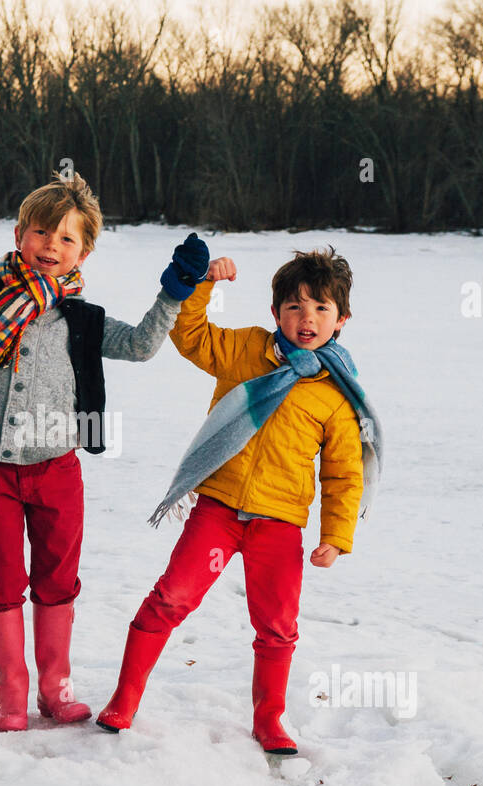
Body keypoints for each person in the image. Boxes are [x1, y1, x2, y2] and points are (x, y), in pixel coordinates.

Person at [0, 124, 209, 731]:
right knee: (1, 583)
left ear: (83, 253)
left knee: (58, 582)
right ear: (19, 235)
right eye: (40, 231)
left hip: (56, 473)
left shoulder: (82, 318)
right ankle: (12, 697)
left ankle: (55, 690)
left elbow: (145, 345)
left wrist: (175, 291)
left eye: (66, 237)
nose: (50, 244)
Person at [96, 248, 382, 754]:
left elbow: (343, 474)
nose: (306, 318)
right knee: (170, 599)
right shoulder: (248, 350)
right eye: (294, 307)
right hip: (218, 510)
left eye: (320, 308)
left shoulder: (336, 396)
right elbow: (191, 337)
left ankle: (269, 719)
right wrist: (202, 284)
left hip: (279, 524)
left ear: (342, 320)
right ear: (275, 314)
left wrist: (336, 537)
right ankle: (125, 697)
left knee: (277, 626)